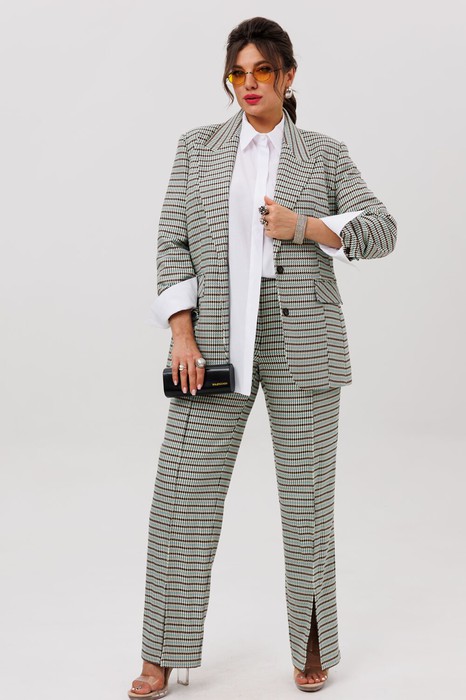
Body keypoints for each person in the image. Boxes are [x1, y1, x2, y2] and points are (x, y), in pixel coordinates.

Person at [128, 16, 397, 698]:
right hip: (214, 343)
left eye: (263, 72)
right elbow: (171, 243)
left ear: (288, 76)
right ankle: (160, 654)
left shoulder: (325, 155)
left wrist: (303, 226)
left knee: (307, 503)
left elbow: (381, 230)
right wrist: (181, 332)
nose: (249, 85)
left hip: (305, 344)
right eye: (238, 74)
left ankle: (312, 646)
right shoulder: (197, 149)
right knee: (182, 496)